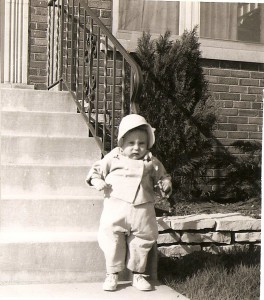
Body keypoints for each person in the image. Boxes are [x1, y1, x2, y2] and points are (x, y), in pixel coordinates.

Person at [86, 114, 172, 291]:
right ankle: (112, 274)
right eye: (131, 143)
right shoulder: (114, 158)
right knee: (112, 239)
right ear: (121, 143)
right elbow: (96, 171)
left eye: (141, 143)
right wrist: (97, 181)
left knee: (142, 240)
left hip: (143, 209)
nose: (136, 148)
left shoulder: (151, 162)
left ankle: (138, 274)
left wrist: (165, 185)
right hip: (116, 208)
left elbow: (163, 176)